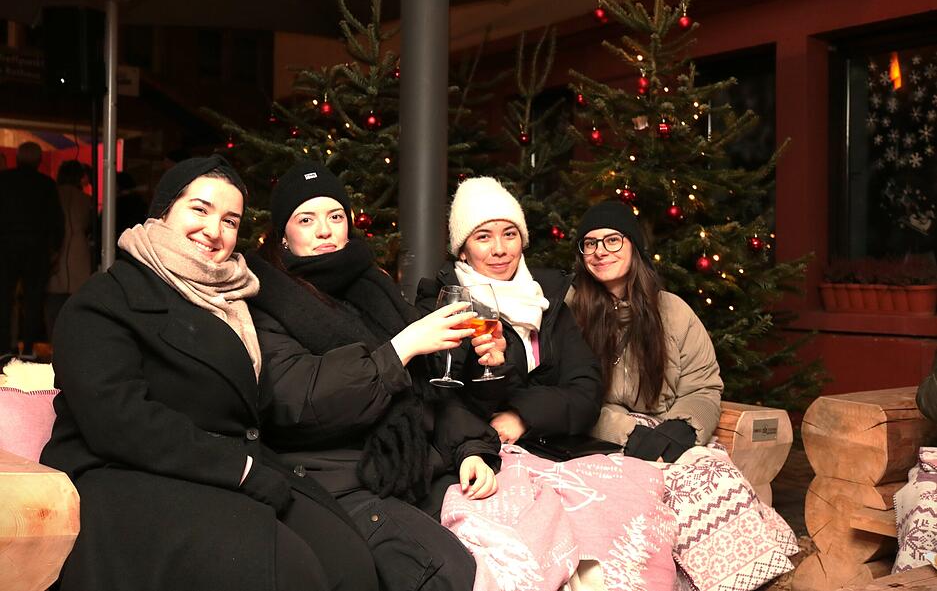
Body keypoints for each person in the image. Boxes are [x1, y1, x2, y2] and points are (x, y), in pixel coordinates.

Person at [40, 155, 378, 591]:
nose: (214, 232)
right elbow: (118, 421)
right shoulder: (104, 300)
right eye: (199, 209)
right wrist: (239, 469)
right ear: (164, 211)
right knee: (288, 570)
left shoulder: (234, 300)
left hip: (231, 471)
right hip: (128, 474)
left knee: (348, 562)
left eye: (230, 220)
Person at [246, 161, 502, 591]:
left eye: (335, 216)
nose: (324, 230)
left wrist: (469, 450)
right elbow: (300, 397)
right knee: (449, 574)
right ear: (283, 235)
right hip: (335, 480)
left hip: (411, 465)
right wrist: (400, 348)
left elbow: (428, 389)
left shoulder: (373, 284)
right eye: (306, 219)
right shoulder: (263, 302)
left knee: (523, 529)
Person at [416, 176, 602, 446]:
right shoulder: (440, 305)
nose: (500, 250)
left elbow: (587, 392)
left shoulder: (546, 299)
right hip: (478, 454)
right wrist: (492, 371)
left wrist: (522, 416)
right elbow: (442, 403)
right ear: (463, 251)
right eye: (483, 237)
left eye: (509, 234)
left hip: (554, 449)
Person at [565, 199, 724, 462]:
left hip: (666, 436)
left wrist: (680, 429)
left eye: (612, 240)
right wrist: (627, 434)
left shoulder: (673, 312)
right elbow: (564, 395)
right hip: (596, 443)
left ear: (634, 247)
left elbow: (703, 388)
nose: (600, 251)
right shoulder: (570, 311)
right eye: (590, 243)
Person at [0, 141, 64, 355]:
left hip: (5, 246)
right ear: (39, 161)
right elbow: (57, 219)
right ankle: (28, 347)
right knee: (33, 299)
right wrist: (54, 248)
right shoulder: (46, 184)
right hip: (37, 248)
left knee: (4, 297)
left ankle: (4, 346)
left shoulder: (3, 180)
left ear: (16, 158)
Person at [46, 160, 95, 334]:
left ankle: (52, 337)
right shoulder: (86, 200)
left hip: (55, 248)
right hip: (78, 249)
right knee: (76, 298)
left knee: (53, 299)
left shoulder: (52, 194)